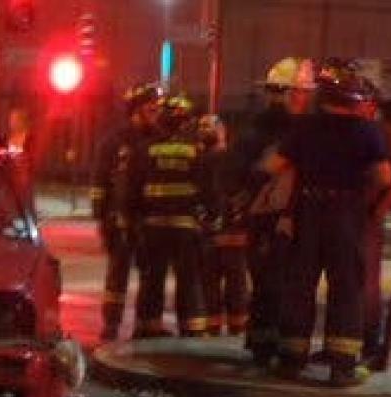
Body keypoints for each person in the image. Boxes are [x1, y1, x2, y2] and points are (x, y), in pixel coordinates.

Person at [267, 59, 391, 386]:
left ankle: (291, 360)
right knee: (347, 288)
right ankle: (342, 367)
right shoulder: (367, 130)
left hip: (309, 211)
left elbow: (274, 165)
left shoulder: (304, 127)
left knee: (300, 285)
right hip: (347, 213)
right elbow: (384, 177)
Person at [235, 57, 316, 366]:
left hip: (278, 215)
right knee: (276, 282)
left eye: (306, 93)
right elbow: (249, 174)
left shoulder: (261, 128)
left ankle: (268, 344)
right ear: (285, 93)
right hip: (273, 215)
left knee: (274, 282)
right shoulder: (276, 131)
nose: (304, 99)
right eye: (300, 92)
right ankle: (273, 346)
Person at [127, 94, 212, 338]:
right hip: (185, 227)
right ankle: (192, 328)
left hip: (153, 228)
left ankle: (148, 327)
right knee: (189, 279)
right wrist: (211, 218)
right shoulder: (195, 150)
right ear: (186, 122)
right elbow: (208, 188)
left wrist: (132, 222)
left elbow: (132, 190)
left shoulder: (145, 149)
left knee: (152, 278)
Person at [91, 83, 161, 340]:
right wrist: (101, 217)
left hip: (149, 218)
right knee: (117, 273)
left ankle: (146, 323)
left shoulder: (160, 138)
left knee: (151, 273)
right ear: (135, 109)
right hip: (119, 218)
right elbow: (99, 182)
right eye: (150, 107)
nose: (156, 112)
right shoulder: (114, 142)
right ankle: (111, 324)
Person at [358, 79, 391, 364]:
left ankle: (370, 341)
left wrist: (380, 209)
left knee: (367, 281)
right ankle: (352, 340)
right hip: (355, 213)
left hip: (366, 215)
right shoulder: (366, 130)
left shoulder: (385, 133)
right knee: (353, 280)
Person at [197, 114, 251, 336]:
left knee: (215, 281)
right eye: (203, 126)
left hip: (218, 230)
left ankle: (218, 325)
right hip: (225, 230)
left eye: (209, 126)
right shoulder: (234, 158)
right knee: (230, 281)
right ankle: (234, 326)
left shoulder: (201, 160)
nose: (205, 130)